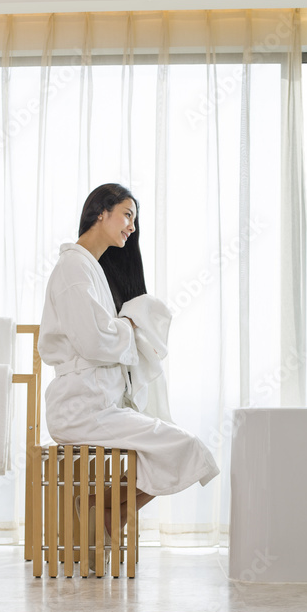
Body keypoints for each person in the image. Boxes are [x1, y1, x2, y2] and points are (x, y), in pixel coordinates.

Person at [38, 183, 219, 564]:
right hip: (81, 408)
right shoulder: (74, 268)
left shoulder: (91, 270)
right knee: (187, 448)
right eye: (127, 214)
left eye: (134, 219)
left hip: (96, 405)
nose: (132, 227)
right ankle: (106, 512)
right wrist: (129, 327)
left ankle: (103, 510)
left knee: (185, 449)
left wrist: (122, 326)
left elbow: (98, 337)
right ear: (100, 212)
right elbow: (93, 341)